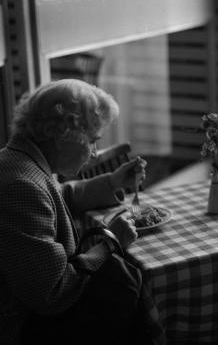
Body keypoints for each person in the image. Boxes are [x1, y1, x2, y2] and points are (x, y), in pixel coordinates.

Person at [0, 79, 148, 344]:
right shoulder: (22, 186)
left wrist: (113, 181)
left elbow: (59, 197)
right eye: (92, 141)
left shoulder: (19, 160)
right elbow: (53, 292)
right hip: (25, 330)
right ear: (63, 134)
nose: (93, 153)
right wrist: (110, 243)